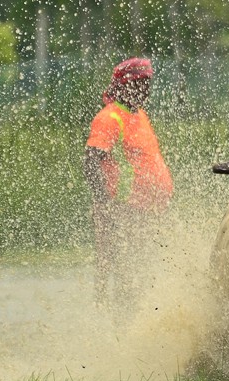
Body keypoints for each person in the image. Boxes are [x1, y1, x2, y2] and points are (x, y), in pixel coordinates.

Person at [83, 57, 173, 300]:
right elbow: (90, 162)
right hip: (124, 209)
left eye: (148, 85)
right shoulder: (110, 118)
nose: (145, 91)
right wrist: (104, 204)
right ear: (123, 86)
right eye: (139, 85)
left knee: (143, 272)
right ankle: (118, 327)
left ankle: (133, 322)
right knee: (125, 273)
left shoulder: (139, 114)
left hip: (148, 209)